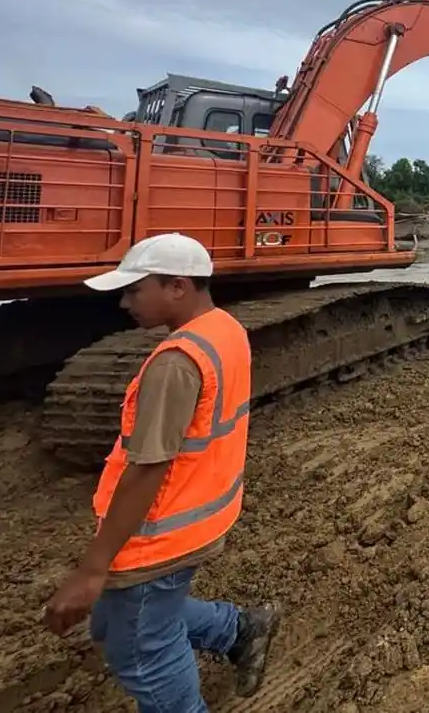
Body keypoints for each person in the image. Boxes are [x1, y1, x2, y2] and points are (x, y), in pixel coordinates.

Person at [43, 233, 281, 710]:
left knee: (140, 650)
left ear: (177, 287)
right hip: (199, 511)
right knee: (123, 620)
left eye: (134, 290)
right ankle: (239, 629)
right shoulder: (223, 328)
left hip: (159, 534)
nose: (125, 303)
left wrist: (93, 568)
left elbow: (148, 469)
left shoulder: (176, 363)